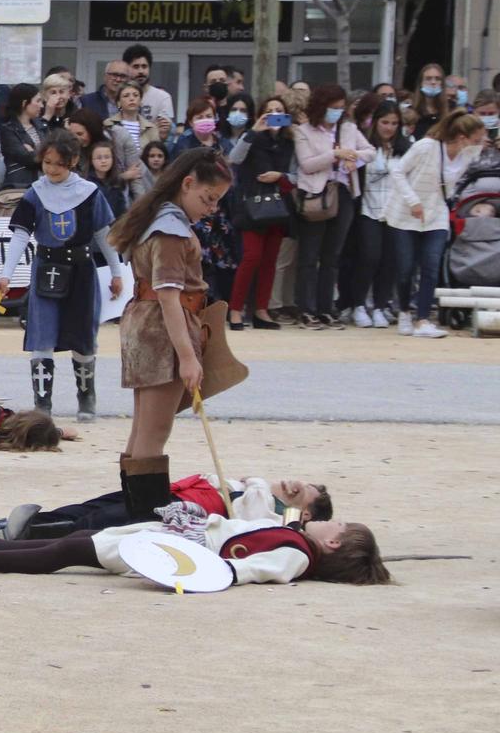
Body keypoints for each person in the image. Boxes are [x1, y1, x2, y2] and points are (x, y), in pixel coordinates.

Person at [108, 146, 237, 521]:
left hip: (147, 326)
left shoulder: (157, 219)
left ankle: (134, 514)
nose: (211, 208)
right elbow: (169, 297)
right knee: (154, 431)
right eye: (208, 198)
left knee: (142, 430)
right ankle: (146, 520)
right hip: (163, 331)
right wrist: (188, 356)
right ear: (187, 183)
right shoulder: (170, 231)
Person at [0, 129, 121, 418]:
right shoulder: (35, 194)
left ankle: (86, 396)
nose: (51, 169)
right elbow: (20, 235)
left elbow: (105, 234)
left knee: (83, 335)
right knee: (42, 334)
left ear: (73, 160)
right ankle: (43, 403)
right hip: (46, 271)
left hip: (82, 273)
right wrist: (6, 274)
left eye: (58, 164)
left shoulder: (89, 193)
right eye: (47, 163)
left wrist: (115, 272)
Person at [0, 513, 390, 588]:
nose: (335, 519)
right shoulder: (294, 535)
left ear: (332, 542)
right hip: (180, 535)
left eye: (341, 524)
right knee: (81, 541)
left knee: (75, 550)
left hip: (180, 550)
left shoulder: (296, 556)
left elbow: (242, 572)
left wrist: (181, 571)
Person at [0, 474, 331, 544]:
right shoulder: (254, 488)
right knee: (87, 508)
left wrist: (263, 489)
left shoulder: (269, 516)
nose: (293, 486)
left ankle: (4, 534)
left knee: (97, 522)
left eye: (301, 495)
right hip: (173, 492)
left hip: (181, 510)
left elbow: (248, 518)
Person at [387, 110, 487, 338]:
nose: (479, 144)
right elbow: (398, 172)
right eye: (476, 139)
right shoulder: (426, 147)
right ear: (462, 137)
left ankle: (422, 319)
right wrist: (413, 201)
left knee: (431, 266)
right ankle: (404, 311)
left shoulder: (469, 155)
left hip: (437, 213)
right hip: (406, 213)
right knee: (405, 269)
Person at [290, 83, 370, 329]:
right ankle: (306, 308)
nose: (337, 111)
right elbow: (307, 164)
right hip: (315, 193)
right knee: (309, 254)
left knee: (332, 256)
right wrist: (336, 155)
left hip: (343, 193)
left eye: (340, 107)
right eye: (333, 107)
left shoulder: (348, 128)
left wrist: (353, 159)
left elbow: (370, 151)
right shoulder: (303, 130)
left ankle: (326, 308)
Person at [228, 97, 296, 330]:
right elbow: (234, 159)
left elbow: (298, 175)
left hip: (278, 205)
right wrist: (255, 130)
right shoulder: (253, 137)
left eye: (279, 111)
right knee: (251, 257)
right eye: (269, 112)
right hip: (252, 205)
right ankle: (235, 310)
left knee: (270, 261)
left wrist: (280, 176)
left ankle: (261, 310)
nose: (274, 116)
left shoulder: (289, 142)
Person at [346, 98, 408, 328]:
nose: (389, 127)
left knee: (389, 261)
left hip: (394, 212)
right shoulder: (365, 145)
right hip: (368, 210)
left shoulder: (405, 147)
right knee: (369, 256)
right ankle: (359, 304)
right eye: (385, 122)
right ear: (375, 122)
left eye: (394, 123)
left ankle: (381, 305)